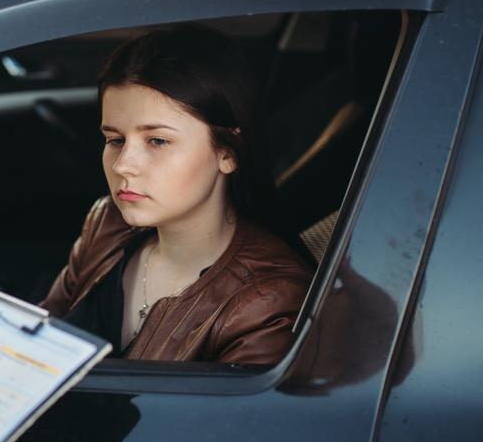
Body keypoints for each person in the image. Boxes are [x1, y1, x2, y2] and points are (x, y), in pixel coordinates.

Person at [41, 25, 312, 363]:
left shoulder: (266, 302)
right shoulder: (107, 223)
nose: (124, 165)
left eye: (157, 141)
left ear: (227, 154)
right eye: (115, 140)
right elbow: (35, 341)